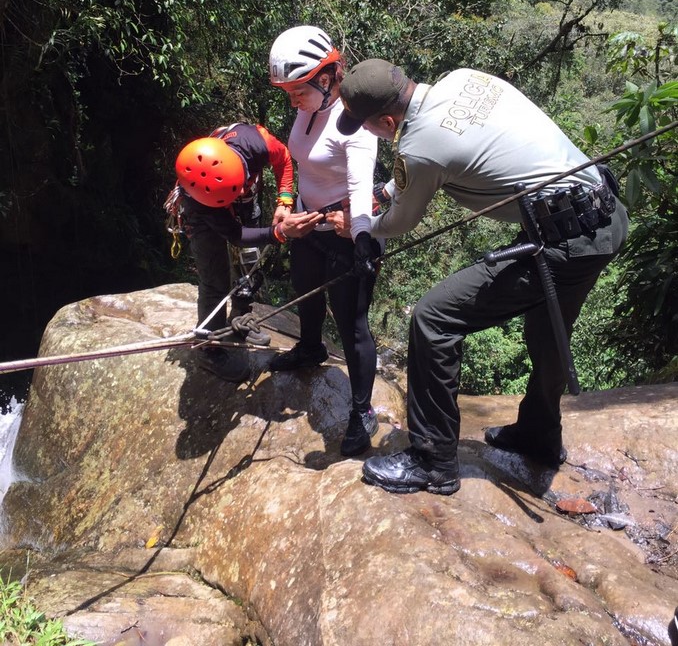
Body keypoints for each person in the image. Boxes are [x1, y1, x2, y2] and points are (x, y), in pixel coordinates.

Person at [336, 58, 629, 494]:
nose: (365, 131)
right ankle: (539, 435)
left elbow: (400, 221)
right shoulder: (463, 79)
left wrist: (361, 227)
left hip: (565, 239)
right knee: (547, 329)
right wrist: (390, 189)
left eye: (365, 124)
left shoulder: (419, 147)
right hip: (603, 217)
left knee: (434, 318)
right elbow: (447, 149)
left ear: (386, 121)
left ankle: (433, 461)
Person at [268, 26, 383, 456]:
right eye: (288, 93)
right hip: (309, 224)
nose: (292, 101)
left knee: (352, 323)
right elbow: (297, 160)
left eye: (297, 91)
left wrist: (362, 236)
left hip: (344, 233)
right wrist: (286, 203)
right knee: (306, 292)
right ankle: (311, 348)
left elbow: (360, 183)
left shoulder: (355, 123)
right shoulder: (310, 107)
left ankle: (362, 411)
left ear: (327, 78)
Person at [169, 124, 321, 382]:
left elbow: (283, 158)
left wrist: (285, 201)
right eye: (235, 190)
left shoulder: (257, 143)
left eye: (239, 186)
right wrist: (278, 233)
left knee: (250, 261)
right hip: (204, 214)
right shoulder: (198, 197)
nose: (239, 192)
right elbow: (235, 235)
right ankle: (208, 349)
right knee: (214, 280)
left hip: (247, 205)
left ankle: (241, 315)